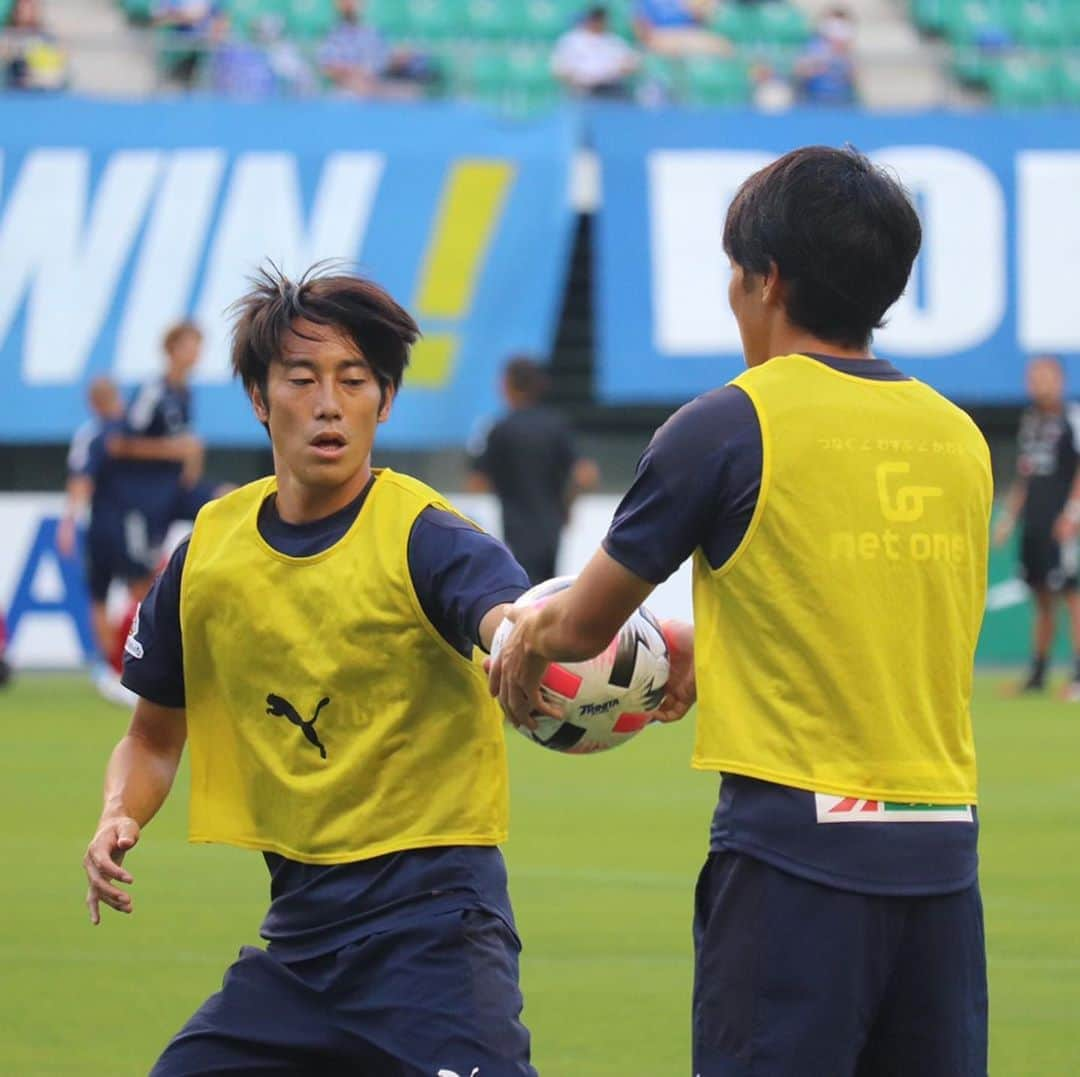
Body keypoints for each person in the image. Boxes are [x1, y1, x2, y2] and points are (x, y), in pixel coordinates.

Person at [491, 146, 992, 1076]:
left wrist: (521, 637)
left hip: (795, 862)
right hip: (942, 858)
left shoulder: (726, 424)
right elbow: (884, 634)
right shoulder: (959, 438)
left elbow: (578, 627)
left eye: (735, 271)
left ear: (766, 279)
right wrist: (708, 652)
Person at [82, 266, 537, 1076]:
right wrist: (121, 812)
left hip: (435, 934)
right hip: (298, 949)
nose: (329, 402)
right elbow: (152, 736)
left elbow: (504, 616)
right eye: (302, 378)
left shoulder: (428, 536)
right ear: (260, 397)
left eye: (354, 380)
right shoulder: (209, 557)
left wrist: (524, 636)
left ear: (384, 400)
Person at [58, 376, 202, 706]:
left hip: (100, 526)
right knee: (142, 589)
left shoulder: (93, 434)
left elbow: (81, 480)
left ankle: (110, 671)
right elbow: (84, 479)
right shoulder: (116, 434)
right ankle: (131, 666)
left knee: (100, 595)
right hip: (122, 522)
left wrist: (69, 521)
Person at [467, 356, 599, 586]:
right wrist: (566, 504)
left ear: (508, 385)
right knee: (548, 592)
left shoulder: (501, 429)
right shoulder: (555, 425)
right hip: (551, 529)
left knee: (523, 593)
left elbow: (477, 482)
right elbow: (586, 475)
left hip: (516, 530)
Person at [993, 354, 1080, 697]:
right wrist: (1008, 518)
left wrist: (1072, 513)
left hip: (1064, 525)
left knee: (1072, 596)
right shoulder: (1030, 421)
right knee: (1041, 597)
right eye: (1034, 376)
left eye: (1045, 376)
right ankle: (1038, 674)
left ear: (1060, 380)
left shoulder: (1071, 418)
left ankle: (1077, 676)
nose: (1038, 382)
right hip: (1035, 524)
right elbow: (1025, 476)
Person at [551, 5, 640, 100]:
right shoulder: (571, 41)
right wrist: (576, 83)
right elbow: (560, 70)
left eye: (601, 19)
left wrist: (620, 71)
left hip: (612, 87)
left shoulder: (614, 41)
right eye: (595, 19)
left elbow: (631, 64)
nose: (598, 22)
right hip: (583, 89)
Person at [794, 6, 857, 106]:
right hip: (814, 99)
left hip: (841, 101)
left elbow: (852, 77)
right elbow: (801, 72)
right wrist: (819, 64)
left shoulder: (847, 52)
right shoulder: (813, 47)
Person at [632, 0, 731, 58]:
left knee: (723, 48)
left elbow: (701, 18)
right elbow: (643, 33)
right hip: (660, 38)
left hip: (691, 35)